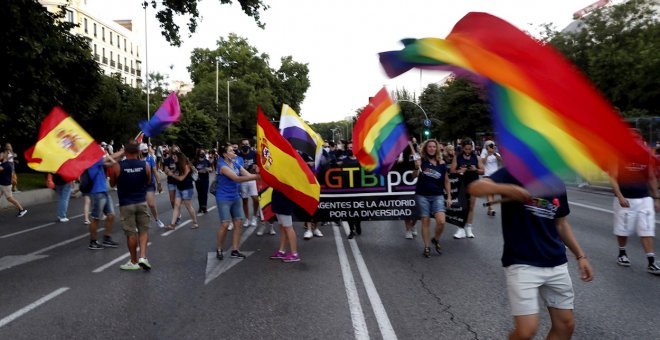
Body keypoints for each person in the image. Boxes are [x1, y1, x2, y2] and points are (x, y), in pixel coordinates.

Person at [468, 168, 593, 339]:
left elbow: (561, 223)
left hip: (556, 261)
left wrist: (580, 256)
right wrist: (509, 189)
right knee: (526, 331)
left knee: (565, 325)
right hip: (522, 261)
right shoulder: (513, 171)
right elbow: (475, 188)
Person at [609, 131, 660, 275]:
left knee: (647, 228)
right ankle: (622, 253)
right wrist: (619, 196)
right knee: (623, 228)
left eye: (637, 139)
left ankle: (651, 262)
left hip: (644, 198)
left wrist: (656, 198)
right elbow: (612, 177)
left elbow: (651, 177)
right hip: (625, 199)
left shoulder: (645, 156)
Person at [110, 141, 152, 271]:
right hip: (141, 202)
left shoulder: (118, 166)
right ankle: (143, 257)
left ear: (125, 152)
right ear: (138, 152)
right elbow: (148, 181)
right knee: (143, 231)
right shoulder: (145, 165)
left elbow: (112, 184)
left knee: (131, 233)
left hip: (126, 204)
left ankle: (133, 261)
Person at [214, 145, 259, 260]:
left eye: (233, 150)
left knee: (238, 222)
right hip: (223, 197)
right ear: (225, 154)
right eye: (230, 150)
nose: (234, 151)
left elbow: (247, 175)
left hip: (235, 196)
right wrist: (258, 177)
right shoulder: (221, 165)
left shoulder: (235, 163)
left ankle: (235, 250)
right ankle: (219, 249)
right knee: (225, 224)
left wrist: (258, 175)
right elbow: (237, 178)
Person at [413, 139, 451, 258]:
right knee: (426, 220)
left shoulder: (441, 163)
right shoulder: (421, 161)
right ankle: (427, 247)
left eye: (434, 147)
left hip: (438, 195)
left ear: (437, 148)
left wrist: (449, 196)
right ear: (425, 148)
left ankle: (435, 239)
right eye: (429, 147)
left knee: (441, 221)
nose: (432, 149)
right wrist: (416, 167)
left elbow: (446, 180)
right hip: (422, 195)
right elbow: (413, 175)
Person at [451, 138, 484, 239]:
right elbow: (452, 170)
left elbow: (483, 171)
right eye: (466, 149)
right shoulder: (457, 157)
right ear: (462, 148)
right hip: (461, 183)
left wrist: (475, 169)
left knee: (471, 206)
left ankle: (469, 228)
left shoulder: (477, 157)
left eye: (470, 149)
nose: (468, 151)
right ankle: (460, 228)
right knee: (461, 206)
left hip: (474, 183)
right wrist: (460, 170)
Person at [87, 153, 120, 250]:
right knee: (96, 218)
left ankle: (107, 238)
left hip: (103, 191)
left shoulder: (98, 162)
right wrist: (123, 151)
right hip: (97, 192)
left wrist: (121, 157)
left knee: (111, 215)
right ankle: (93, 242)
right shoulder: (93, 161)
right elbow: (109, 159)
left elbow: (110, 163)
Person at [164, 151, 199, 229]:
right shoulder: (177, 165)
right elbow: (175, 174)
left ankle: (195, 222)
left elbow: (181, 178)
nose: (173, 158)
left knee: (188, 206)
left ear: (179, 158)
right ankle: (172, 224)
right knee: (176, 205)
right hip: (179, 188)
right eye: (173, 157)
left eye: (175, 157)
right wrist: (169, 172)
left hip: (187, 188)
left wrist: (171, 174)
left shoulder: (186, 166)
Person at [269, 189, 301, 262]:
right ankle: (282, 251)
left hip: (284, 198)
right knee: (282, 227)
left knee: (288, 227)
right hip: (278, 196)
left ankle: (294, 254)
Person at [138, 143, 165, 228]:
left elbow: (155, 171)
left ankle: (157, 219)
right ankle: (138, 222)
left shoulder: (150, 158)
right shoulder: (136, 159)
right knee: (139, 205)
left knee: (151, 204)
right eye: (144, 150)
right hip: (139, 185)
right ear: (140, 151)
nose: (146, 151)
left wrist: (159, 184)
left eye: (146, 150)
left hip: (149, 184)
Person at [238, 139, 259, 227]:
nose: (245, 145)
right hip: (243, 179)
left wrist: (256, 167)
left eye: (246, 144)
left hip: (252, 179)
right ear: (240, 145)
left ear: (249, 144)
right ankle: (247, 219)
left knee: (255, 199)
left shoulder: (254, 153)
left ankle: (254, 217)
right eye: (243, 144)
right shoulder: (238, 155)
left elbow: (259, 165)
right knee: (245, 200)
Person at [0, 150, 27, 217]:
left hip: (6, 185)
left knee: (10, 198)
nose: (0, 155)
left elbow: (0, 169)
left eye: (1, 155)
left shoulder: (6, 164)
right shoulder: (3, 163)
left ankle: (22, 210)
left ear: (5, 156)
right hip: (2, 184)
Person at [481, 141, 502, 216]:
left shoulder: (495, 152)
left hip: (495, 175)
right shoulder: (484, 152)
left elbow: (501, 160)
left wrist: (494, 153)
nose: (492, 146)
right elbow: (482, 162)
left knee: (492, 193)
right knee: (489, 192)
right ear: (486, 146)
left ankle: (489, 209)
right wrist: (488, 153)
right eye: (490, 145)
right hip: (487, 175)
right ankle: (491, 208)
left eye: (492, 145)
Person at [193, 149, 213, 213]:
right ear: (198, 154)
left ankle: (204, 206)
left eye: (203, 153)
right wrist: (199, 171)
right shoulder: (195, 162)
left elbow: (211, 169)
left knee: (204, 192)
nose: (203, 154)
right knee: (199, 193)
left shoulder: (207, 161)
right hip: (198, 179)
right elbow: (192, 170)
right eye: (201, 153)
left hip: (205, 179)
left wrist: (208, 169)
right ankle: (200, 206)